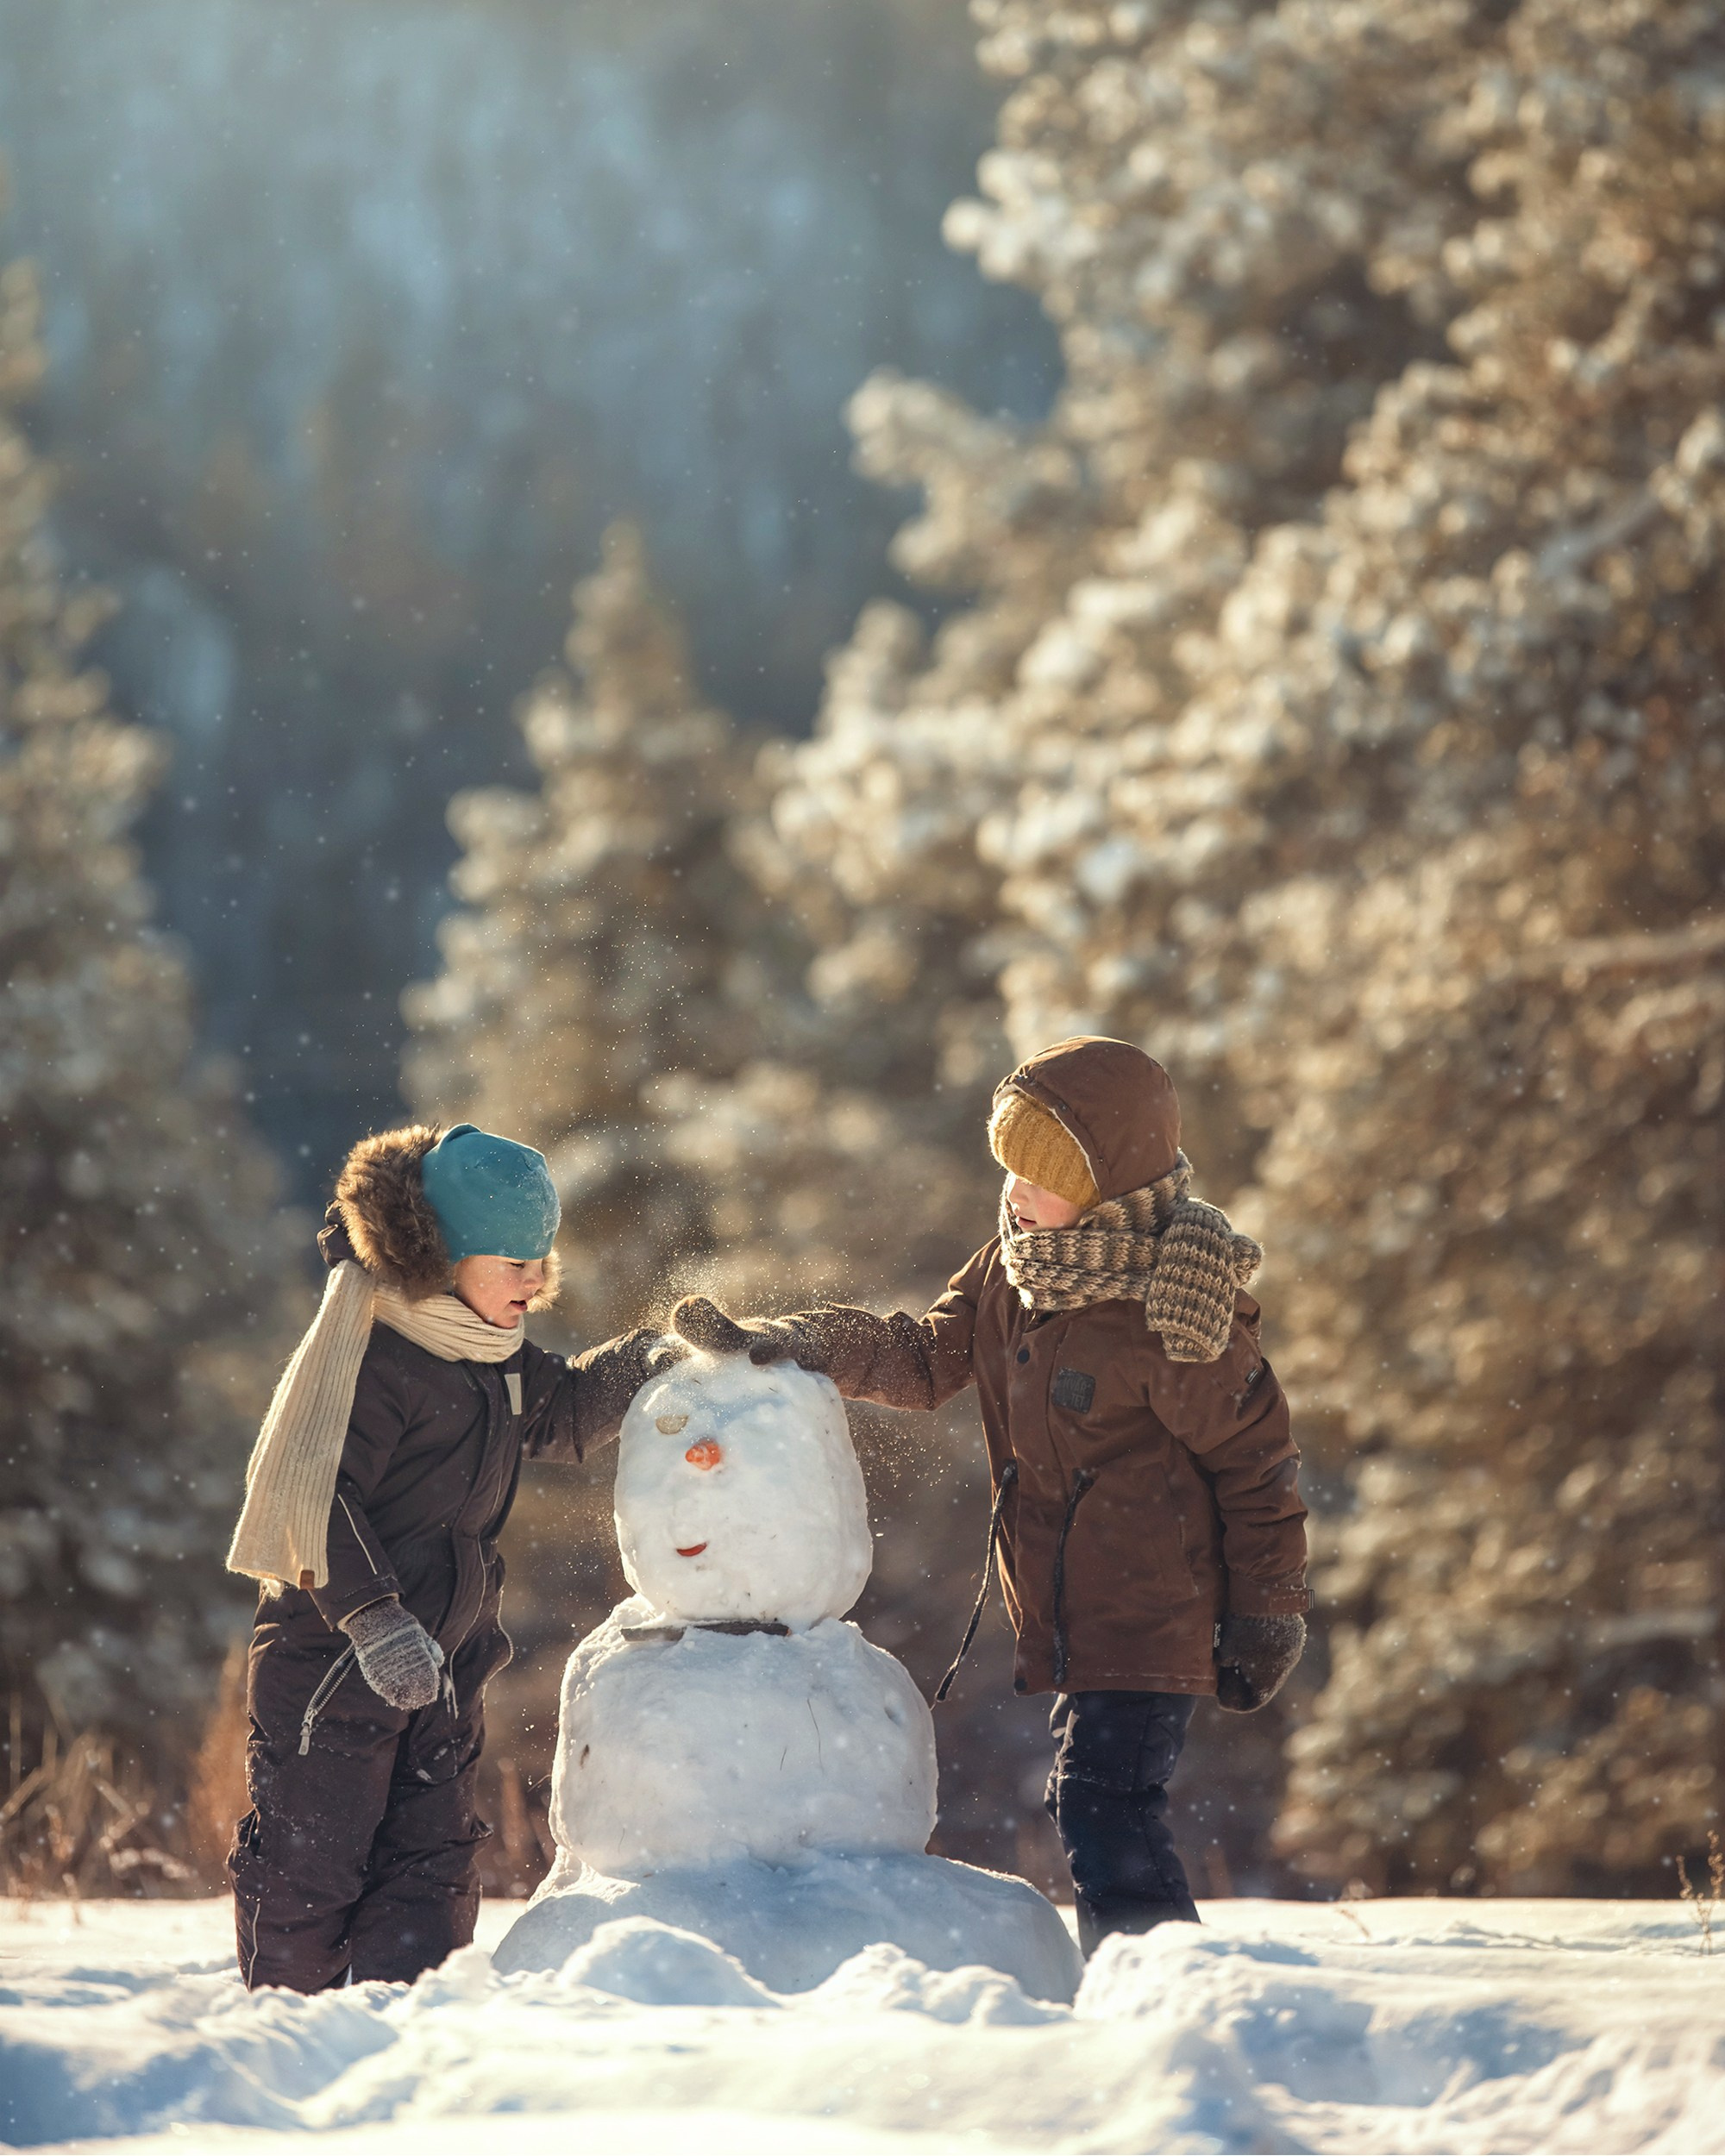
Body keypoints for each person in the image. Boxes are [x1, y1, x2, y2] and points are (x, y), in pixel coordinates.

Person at [673, 1037, 1308, 1954]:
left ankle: (1163, 1982)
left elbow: (1256, 1467)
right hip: (1071, 1607)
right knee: (1093, 1799)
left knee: (1102, 1802)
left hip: (1154, 1602)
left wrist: (1266, 1610)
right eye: (1006, 1168)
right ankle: (1149, 1973)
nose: (1012, 1193)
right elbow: (923, 1356)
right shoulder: (1010, 1270)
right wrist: (797, 1339)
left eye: (1036, 1175)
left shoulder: (1178, 1314)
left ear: (1103, 1187)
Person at [224, 1121, 663, 1990]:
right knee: (316, 1860)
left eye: (542, 1259)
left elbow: (566, 1413)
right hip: (335, 1657)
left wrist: (657, 1358)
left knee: (431, 1860)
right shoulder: (377, 1354)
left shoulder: (491, 1360)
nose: (534, 1280)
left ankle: (409, 2029)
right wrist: (374, 1618)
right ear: (448, 1258)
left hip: (446, 1659)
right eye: (513, 1261)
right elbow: (319, 1492)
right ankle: (293, 2026)